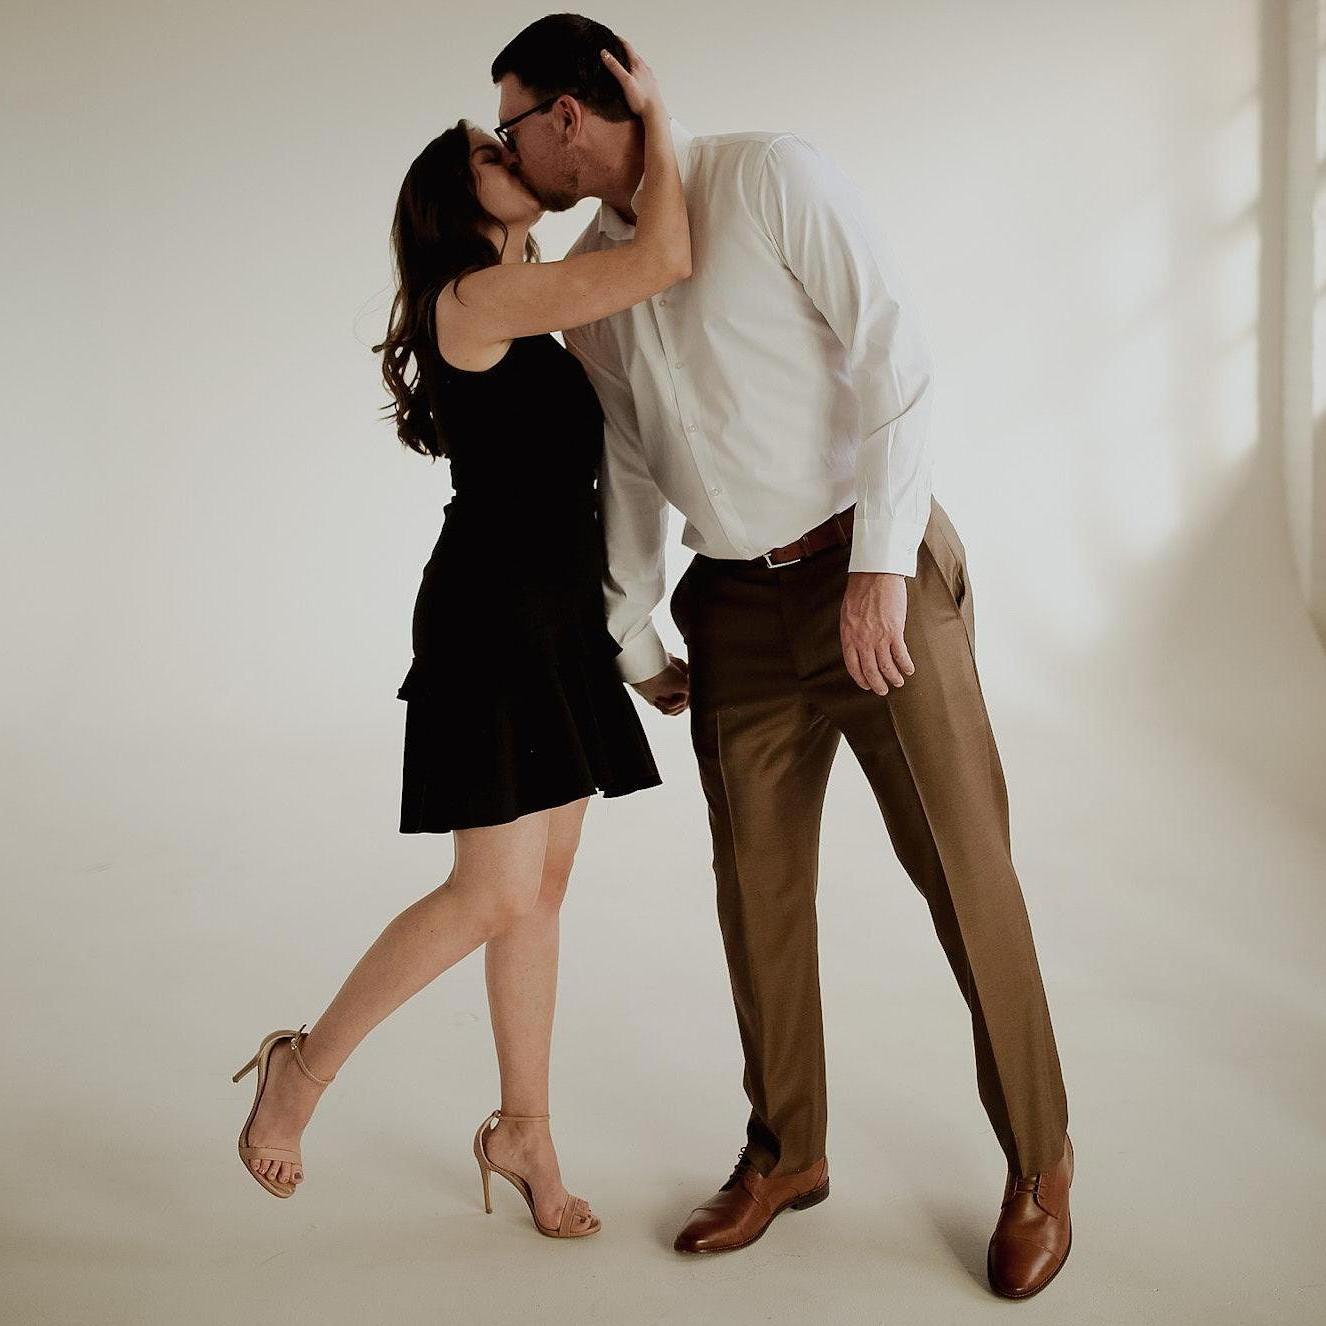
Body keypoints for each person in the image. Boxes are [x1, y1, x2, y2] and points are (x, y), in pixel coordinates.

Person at [490, 12, 1074, 1296]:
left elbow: (894, 356)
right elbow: (630, 459)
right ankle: (786, 1152)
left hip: (873, 569)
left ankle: (1041, 1162)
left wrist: (880, 565)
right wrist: (634, 630)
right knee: (754, 895)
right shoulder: (593, 280)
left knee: (963, 871)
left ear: (568, 117)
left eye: (511, 122)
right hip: (735, 611)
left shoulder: (768, 177)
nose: (506, 147)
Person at [230, 40, 692, 1241]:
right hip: (491, 616)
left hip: (558, 616)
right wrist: (653, 115)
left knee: (542, 893)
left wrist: (629, 638)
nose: (514, 154)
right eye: (494, 151)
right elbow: (663, 257)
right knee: (490, 891)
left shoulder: (532, 296)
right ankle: (301, 1071)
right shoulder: (474, 301)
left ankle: (524, 1129)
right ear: (458, 196)